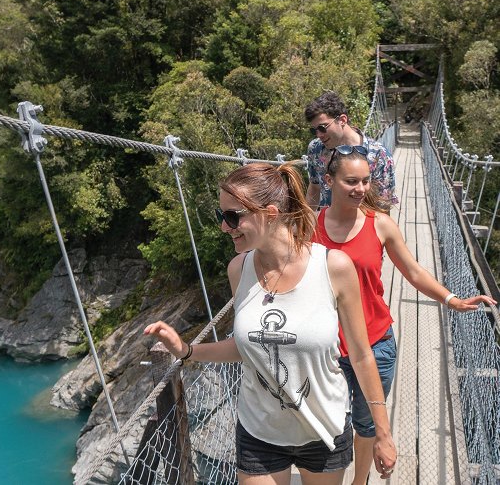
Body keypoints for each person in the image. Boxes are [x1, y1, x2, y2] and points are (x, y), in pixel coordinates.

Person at [144, 162, 397, 484]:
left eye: (233, 216)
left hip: (323, 428)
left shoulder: (333, 266)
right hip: (259, 430)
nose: (225, 227)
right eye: (221, 216)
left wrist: (382, 433)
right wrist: (186, 349)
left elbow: (361, 355)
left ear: (271, 212)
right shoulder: (239, 269)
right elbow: (245, 346)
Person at [313, 148, 497, 485]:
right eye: (351, 181)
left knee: (367, 424)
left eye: (366, 181)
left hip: (376, 343)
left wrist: (450, 298)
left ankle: (360, 482)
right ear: (329, 180)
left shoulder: (380, 224)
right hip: (326, 348)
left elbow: (412, 271)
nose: (360, 188)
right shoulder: (310, 228)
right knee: (330, 424)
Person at [304, 91, 398, 211]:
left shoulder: (379, 155)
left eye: (322, 128)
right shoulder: (315, 149)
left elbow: (383, 207)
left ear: (342, 120)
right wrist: (305, 225)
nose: (319, 135)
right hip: (324, 225)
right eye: (314, 130)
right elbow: (314, 189)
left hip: (361, 227)